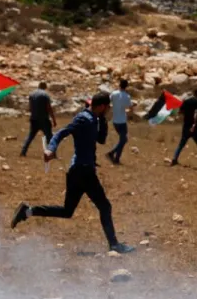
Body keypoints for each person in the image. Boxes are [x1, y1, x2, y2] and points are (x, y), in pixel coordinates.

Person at [11, 92, 134, 254]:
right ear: (102, 106)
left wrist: (102, 120)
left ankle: (28, 211)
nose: (109, 110)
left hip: (78, 171)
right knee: (105, 206)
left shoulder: (94, 119)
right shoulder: (83, 118)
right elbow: (62, 132)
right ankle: (114, 245)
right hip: (83, 171)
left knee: (67, 211)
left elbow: (101, 140)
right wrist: (50, 149)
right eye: (108, 108)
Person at [170, 89, 197, 167]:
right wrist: (194, 124)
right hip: (195, 127)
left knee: (181, 144)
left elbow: (180, 112)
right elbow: (196, 114)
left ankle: (174, 159)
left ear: (193, 93)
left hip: (186, 126)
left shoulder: (186, 101)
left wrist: (187, 115)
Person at [21, 81, 55, 157]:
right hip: (44, 119)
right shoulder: (45, 95)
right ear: (45, 87)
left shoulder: (32, 94)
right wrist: (53, 119)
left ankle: (23, 151)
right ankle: (52, 153)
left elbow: (30, 107)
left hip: (34, 119)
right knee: (49, 136)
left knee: (30, 136)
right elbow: (49, 108)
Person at [105, 77, 132, 164]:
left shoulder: (114, 94)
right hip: (122, 121)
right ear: (126, 86)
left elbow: (108, 102)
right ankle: (113, 155)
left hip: (115, 121)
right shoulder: (127, 96)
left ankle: (115, 157)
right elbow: (130, 109)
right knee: (123, 140)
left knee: (123, 139)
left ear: (119, 85)